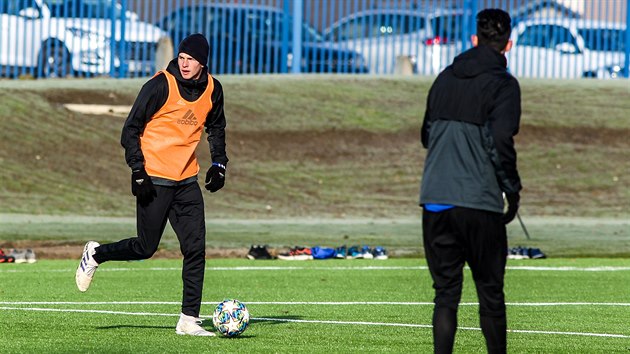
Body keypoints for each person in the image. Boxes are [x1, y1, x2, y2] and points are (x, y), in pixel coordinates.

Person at [75, 33, 228, 337]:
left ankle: (188, 320)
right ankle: (95, 254)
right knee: (146, 247)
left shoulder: (213, 89)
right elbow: (130, 129)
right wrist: (138, 170)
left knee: (195, 248)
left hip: (186, 181)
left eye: (191, 59)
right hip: (154, 178)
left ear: (203, 62)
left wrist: (219, 163)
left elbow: (216, 126)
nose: (184, 63)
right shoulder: (159, 85)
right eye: (182, 57)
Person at [419, 9, 521, 354]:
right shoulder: (504, 84)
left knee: (446, 295)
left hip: (435, 199)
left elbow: (426, 135)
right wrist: (512, 189)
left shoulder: (444, 78)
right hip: (479, 201)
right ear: (508, 44)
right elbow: (501, 139)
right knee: (490, 293)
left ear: (474, 40)